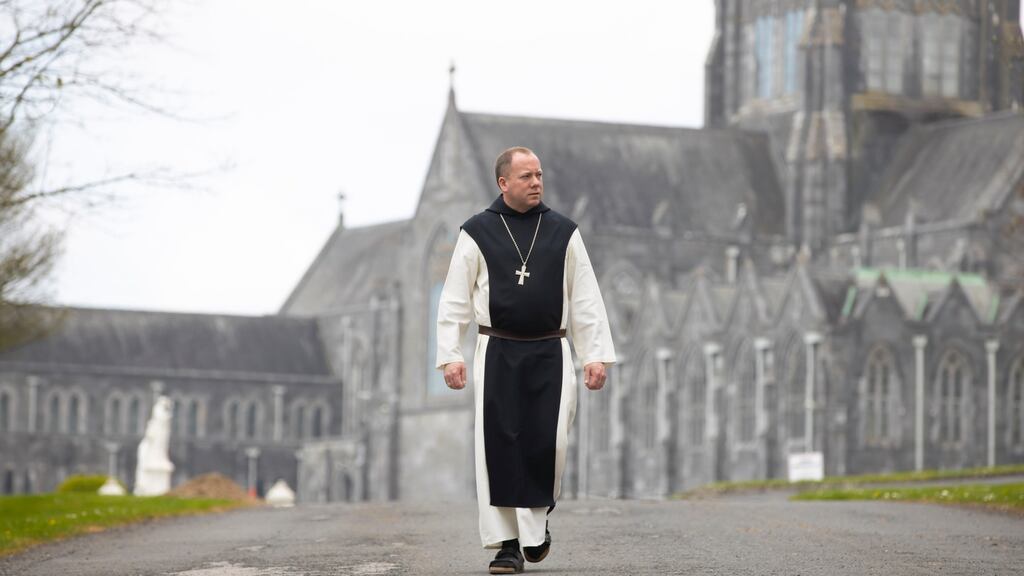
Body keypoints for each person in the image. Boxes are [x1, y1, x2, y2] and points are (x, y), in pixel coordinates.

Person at [436, 146, 616, 574]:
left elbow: (586, 300)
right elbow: (454, 299)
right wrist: (450, 356)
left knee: (547, 443)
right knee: (498, 444)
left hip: (550, 350)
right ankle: (507, 545)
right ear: (504, 183)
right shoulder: (476, 232)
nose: (536, 183)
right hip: (496, 349)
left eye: (539, 175)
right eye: (526, 177)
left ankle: (536, 532)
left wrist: (595, 356)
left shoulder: (563, 232)